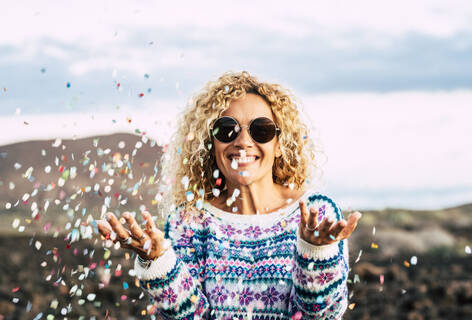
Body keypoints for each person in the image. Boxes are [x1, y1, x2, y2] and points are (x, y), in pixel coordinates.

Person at [97, 71, 361, 319]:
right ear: (210, 143)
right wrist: (158, 263)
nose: (243, 141)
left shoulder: (315, 216)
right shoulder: (188, 222)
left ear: (280, 145)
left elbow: (321, 316)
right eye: (227, 129)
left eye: (261, 130)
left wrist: (314, 253)